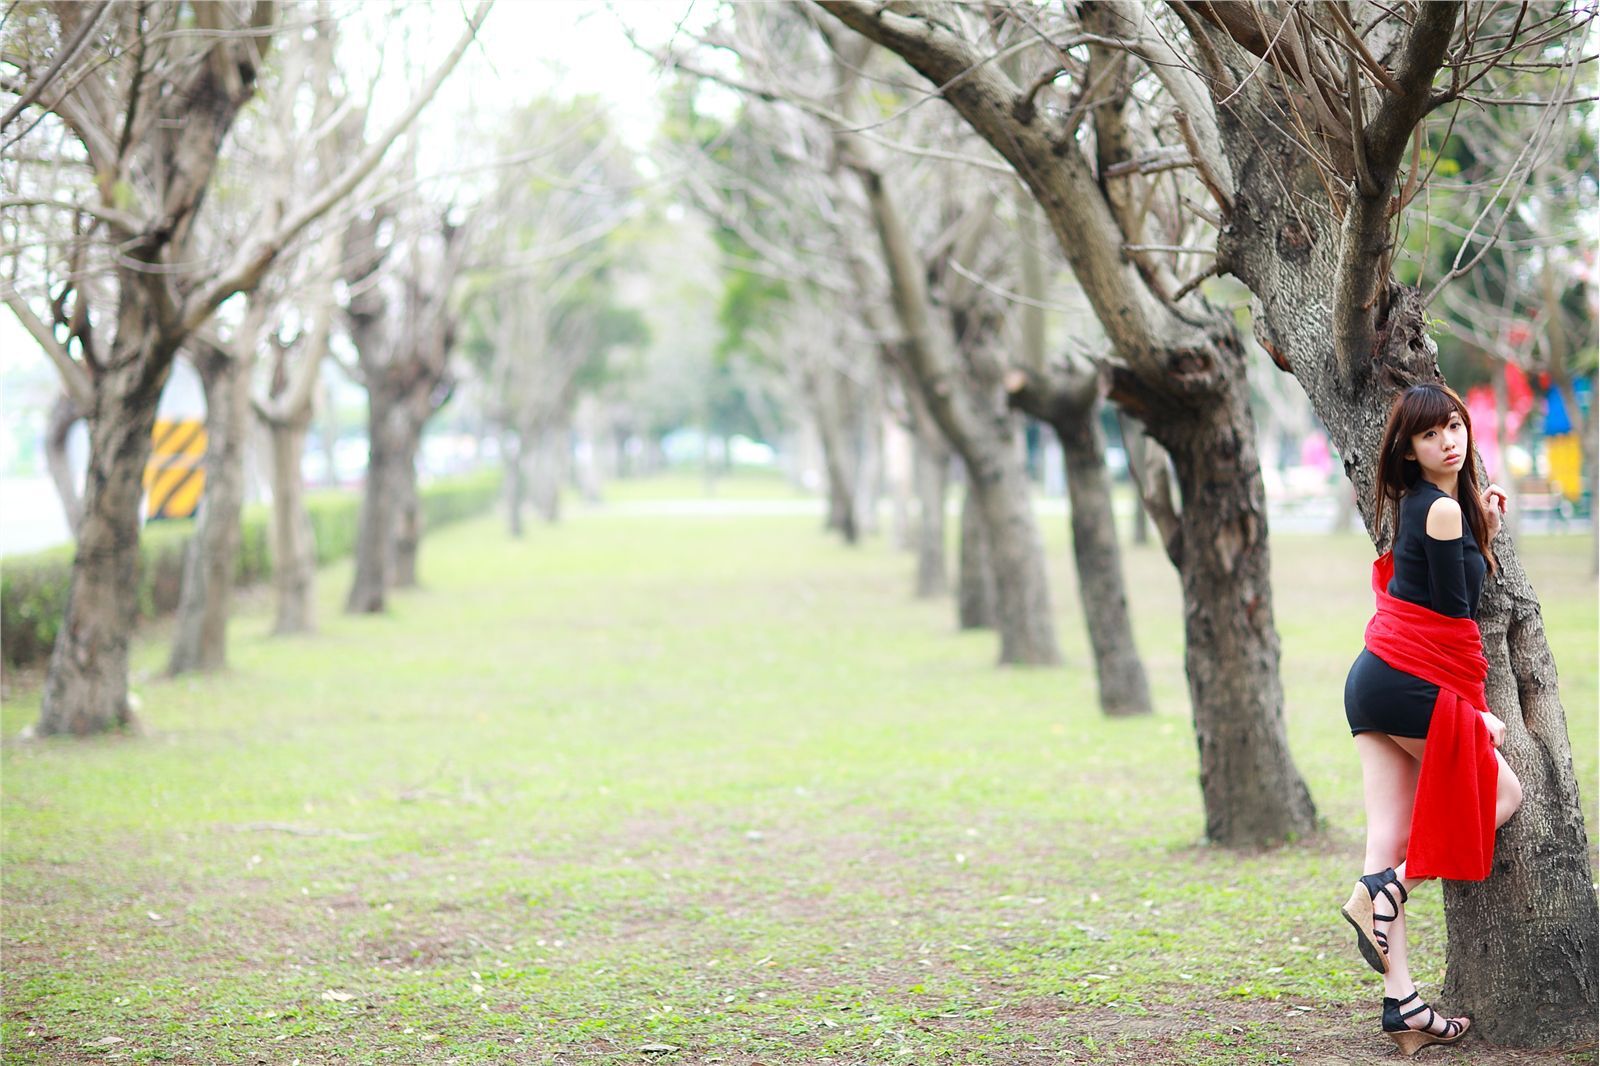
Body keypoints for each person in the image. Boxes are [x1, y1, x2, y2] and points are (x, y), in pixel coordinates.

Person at [1340, 382, 1524, 1055]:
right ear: (1409, 450)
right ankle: (1389, 892)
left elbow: (1437, 595)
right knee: (1504, 792)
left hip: (1374, 679)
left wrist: (1482, 528)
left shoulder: (1434, 507)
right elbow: (1454, 623)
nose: (1448, 440)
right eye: (1429, 434)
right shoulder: (1441, 510)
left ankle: (1403, 1006)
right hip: (1407, 679)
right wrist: (1477, 715)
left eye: (1454, 425)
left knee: (1384, 841)